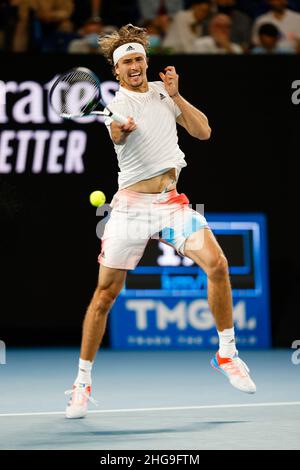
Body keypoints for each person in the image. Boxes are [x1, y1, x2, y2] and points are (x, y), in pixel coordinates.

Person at [65, 23, 256, 420]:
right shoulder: (114, 105)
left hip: (171, 204)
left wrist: (176, 95)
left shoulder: (163, 94)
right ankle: (81, 383)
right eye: (126, 62)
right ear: (116, 71)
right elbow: (117, 134)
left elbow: (203, 132)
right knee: (104, 297)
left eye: (138, 59)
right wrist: (121, 128)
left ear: (146, 61)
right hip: (131, 209)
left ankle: (226, 353)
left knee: (218, 265)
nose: (134, 66)